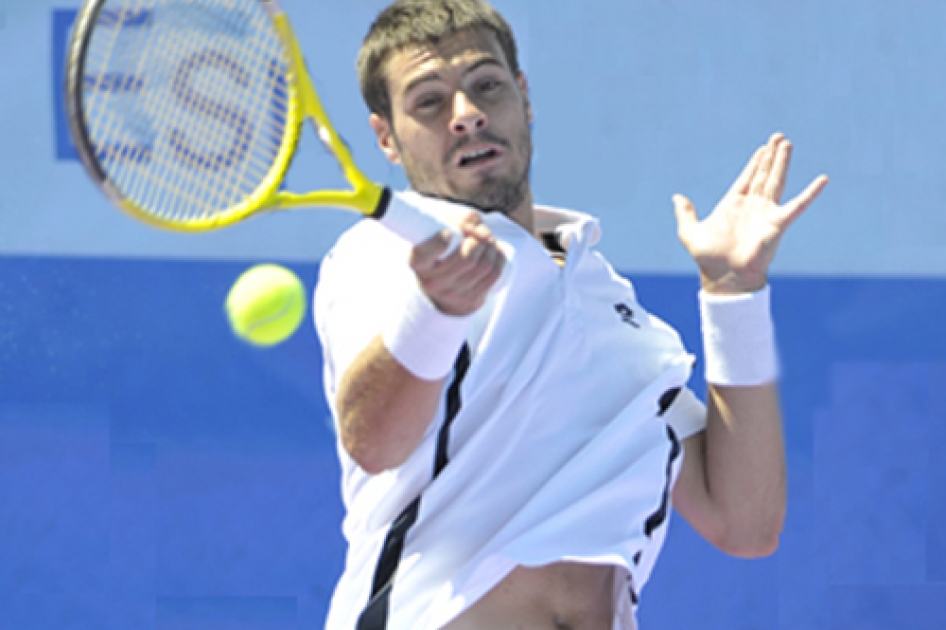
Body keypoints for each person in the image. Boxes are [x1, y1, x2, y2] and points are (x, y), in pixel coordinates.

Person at [313, 1, 829, 628]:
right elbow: (372, 443)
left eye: (487, 86)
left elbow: (745, 523)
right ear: (386, 138)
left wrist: (734, 295)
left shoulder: (609, 303)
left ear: (523, 97)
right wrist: (434, 310)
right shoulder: (386, 255)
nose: (467, 114)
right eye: (429, 101)